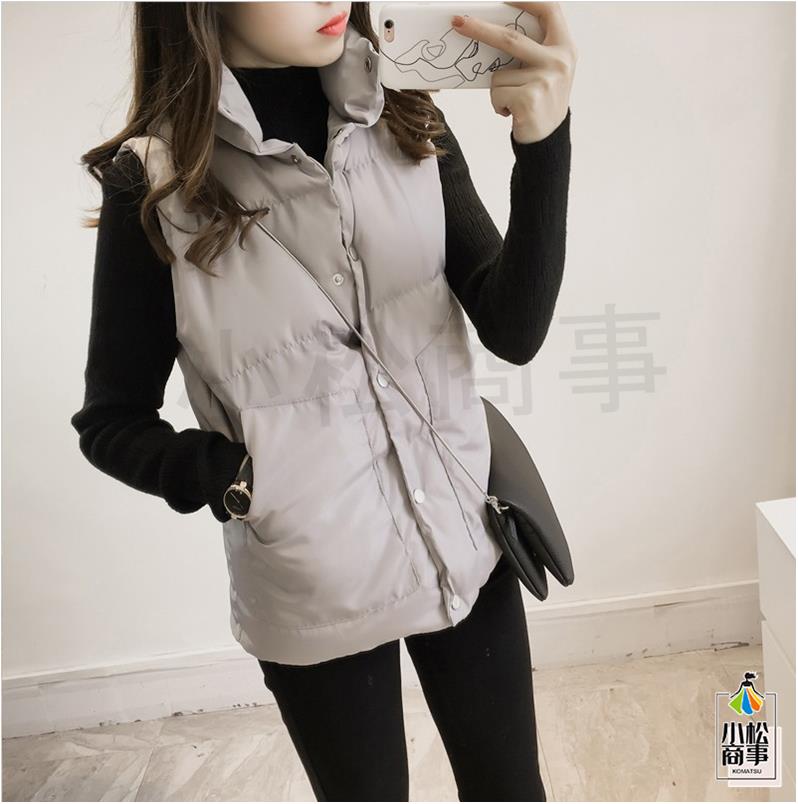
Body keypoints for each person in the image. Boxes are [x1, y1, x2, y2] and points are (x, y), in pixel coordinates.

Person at [72, 2, 576, 800]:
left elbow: (513, 329)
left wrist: (543, 146)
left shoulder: (406, 115)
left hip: (462, 537)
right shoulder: (157, 180)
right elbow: (111, 422)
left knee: (511, 789)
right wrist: (241, 482)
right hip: (312, 583)